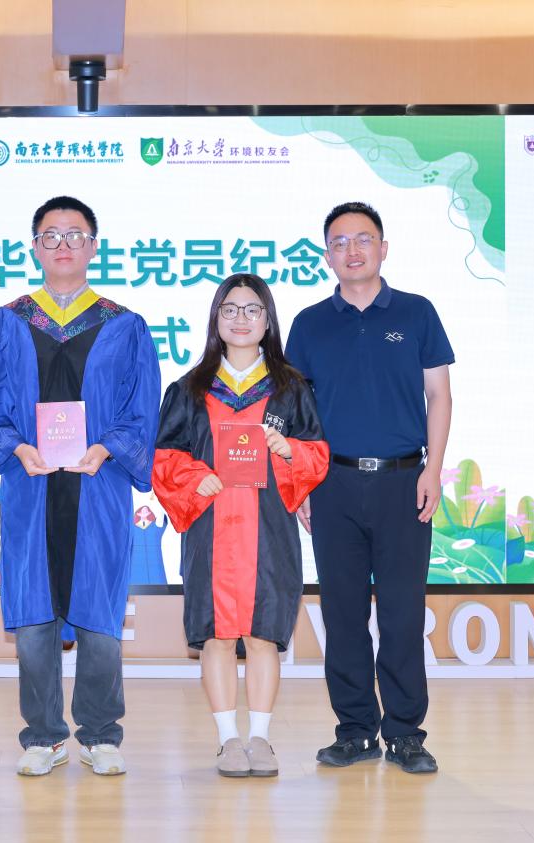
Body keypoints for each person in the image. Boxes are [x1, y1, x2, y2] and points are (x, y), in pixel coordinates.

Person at [0, 196, 160, 777]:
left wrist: (106, 447)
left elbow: (140, 409)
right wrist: (17, 447)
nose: (62, 245)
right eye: (50, 235)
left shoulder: (124, 325)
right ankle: (44, 736)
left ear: (93, 247)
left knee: (99, 615)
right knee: (33, 618)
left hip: (97, 486)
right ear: (34, 247)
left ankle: (101, 734)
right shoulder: (7, 323)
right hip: (30, 488)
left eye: (75, 234)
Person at [285, 201, 454, 774]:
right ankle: (355, 730)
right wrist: (303, 482)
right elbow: (297, 411)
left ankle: (405, 733)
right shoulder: (310, 323)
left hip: (405, 482)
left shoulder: (416, 312)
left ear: (383, 248)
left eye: (362, 239)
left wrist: (433, 469)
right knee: (343, 614)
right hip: (332, 484)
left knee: (403, 613)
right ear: (326, 255)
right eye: (339, 242)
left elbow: (439, 395)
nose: (351, 250)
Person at [152, 273, 329, 777]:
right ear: (216, 319)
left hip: (268, 528)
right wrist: (195, 477)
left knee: (263, 635)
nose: (241, 318)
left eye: (253, 309)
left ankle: (261, 738)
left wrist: (288, 450)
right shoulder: (189, 389)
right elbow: (165, 458)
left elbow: (316, 454)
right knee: (215, 636)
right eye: (230, 309)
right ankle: (228, 738)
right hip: (210, 528)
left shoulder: (291, 389)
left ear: (268, 320)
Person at [128, 505, 168, 585]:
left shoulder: (155, 528)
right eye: (142, 511)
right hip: (136, 566)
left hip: (154, 565)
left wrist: (161, 502)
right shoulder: (132, 529)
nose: (144, 511)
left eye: (146, 511)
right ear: (138, 514)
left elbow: (162, 515)